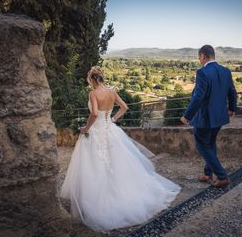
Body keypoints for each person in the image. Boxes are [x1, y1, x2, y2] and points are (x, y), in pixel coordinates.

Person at [60, 66, 181, 232]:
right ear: (101, 78)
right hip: (110, 130)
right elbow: (124, 107)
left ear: (92, 80)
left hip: (96, 132)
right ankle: (121, 192)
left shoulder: (94, 93)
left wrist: (85, 129)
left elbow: (94, 114)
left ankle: (99, 198)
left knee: (96, 165)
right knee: (116, 163)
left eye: (89, 81)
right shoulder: (111, 92)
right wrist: (113, 120)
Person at [181, 45, 237, 188]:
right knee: (210, 144)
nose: (199, 60)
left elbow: (198, 97)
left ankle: (223, 176)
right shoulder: (225, 71)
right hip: (220, 116)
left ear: (203, 56)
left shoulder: (202, 72)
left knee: (202, 146)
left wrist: (187, 115)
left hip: (204, 118)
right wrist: (231, 108)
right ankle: (208, 174)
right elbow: (232, 91)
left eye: (199, 57)